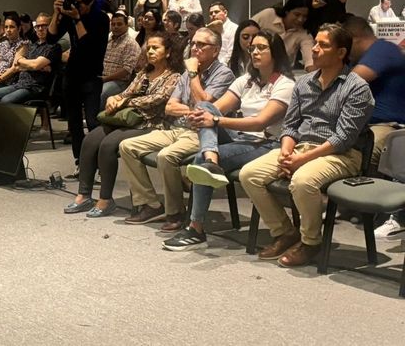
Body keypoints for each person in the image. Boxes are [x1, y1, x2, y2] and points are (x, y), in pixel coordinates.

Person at [239, 23, 373, 267]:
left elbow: (343, 138)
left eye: (323, 45)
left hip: (341, 154)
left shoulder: (357, 88)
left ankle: (311, 242)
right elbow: (290, 126)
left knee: (302, 181)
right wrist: (287, 152)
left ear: (341, 53)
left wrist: (300, 161)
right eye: (316, 44)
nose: (315, 50)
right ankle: (285, 232)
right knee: (250, 174)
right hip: (301, 148)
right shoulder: (304, 83)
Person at [163, 30, 295, 250]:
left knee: (200, 158)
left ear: (276, 52)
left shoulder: (285, 85)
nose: (255, 52)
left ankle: (196, 227)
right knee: (205, 106)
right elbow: (213, 108)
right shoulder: (246, 81)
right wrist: (203, 116)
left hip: (267, 143)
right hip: (239, 138)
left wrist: (213, 120)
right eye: (252, 48)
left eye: (261, 48)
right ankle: (211, 161)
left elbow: (259, 123)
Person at [119, 28, 235, 231]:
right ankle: (150, 204)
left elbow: (204, 105)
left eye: (201, 45)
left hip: (203, 133)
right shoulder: (185, 73)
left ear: (215, 50)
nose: (195, 48)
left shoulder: (223, 74)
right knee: (127, 146)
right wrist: (192, 108)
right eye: (194, 44)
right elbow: (170, 107)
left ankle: (176, 212)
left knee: (166, 156)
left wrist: (192, 74)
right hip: (176, 129)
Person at [64, 32, 183, 217]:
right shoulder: (144, 72)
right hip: (127, 119)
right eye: (149, 48)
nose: (150, 51)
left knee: (108, 145)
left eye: (156, 48)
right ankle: (84, 195)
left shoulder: (174, 76)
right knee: (90, 140)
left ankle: (105, 200)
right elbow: (127, 92)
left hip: (151, 123)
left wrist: (125, 102)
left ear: (168, 52)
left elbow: (158, 99)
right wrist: (115, 97)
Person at [342, 16, 405, 239]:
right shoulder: (360, 58)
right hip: (369, 125)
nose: (344, 52)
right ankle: (347, 202)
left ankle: (390, 213)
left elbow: (350, 84)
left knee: (371, 145)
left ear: (355, 39)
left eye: (345, 45)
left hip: (391, 127)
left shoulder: (383, 49)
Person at [50, 0, 110, 178]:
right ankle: (80, 163)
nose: (78, 7)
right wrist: (56, 14)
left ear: (90, 1)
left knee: (92, 122)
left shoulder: (100, 18)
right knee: (74, 123)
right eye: (75, 3)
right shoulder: (69, 14)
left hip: (91, 75)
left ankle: (101, 166)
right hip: (72, 75)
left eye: (81, 4)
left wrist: (77, 19)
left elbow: (87, 45)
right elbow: (50, 39)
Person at [0, 13, 61, 103]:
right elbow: (17, 64)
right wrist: (32, 65)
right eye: (37, 26)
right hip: (19, 84)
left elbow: (35, 65)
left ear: (51, 26)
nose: (40, 29)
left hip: (35, 87)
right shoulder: (32, 45)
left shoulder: (53, 47)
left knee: (6, 101)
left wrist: (26, 63)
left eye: (44, 26)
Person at [252, 0, 315, 71]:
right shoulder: (268, 14)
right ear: (287, 11)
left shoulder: (304, 33)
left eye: (304, 16)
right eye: (297, 14)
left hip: (282, 74)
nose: (300, 19)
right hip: (255, 67)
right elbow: (245, 29)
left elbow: (310, 60)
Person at [99, 11, 141, 108]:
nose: (116, 27)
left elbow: (126, 70)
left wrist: (105, 79)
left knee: (102, 92)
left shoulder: (131, 44)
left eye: (119, 24)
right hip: (102, 77)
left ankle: (96, 117)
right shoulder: (108, 41)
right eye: (113, 24)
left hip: (120, 82)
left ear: (127, 26)